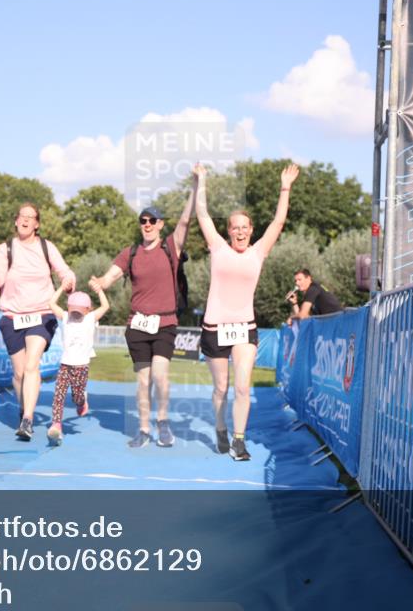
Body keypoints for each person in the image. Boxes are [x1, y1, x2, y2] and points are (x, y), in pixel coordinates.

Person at [194, 161, 300, 461]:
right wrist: (201, 181)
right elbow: (202, 214)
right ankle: (220, 427)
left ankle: (239, 441)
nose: (240, 232)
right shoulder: (218, 247)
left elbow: (278, 222)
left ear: (251, 231)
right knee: (221, 388)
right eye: (235, 227)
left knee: (242, 388)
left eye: (245, 227)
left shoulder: (258, 252)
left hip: (244, 329)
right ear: (228, 231)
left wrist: (285, 188)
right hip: (214, 328)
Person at [90, 178, 196, 449]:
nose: (147, 225)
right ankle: (144, 429)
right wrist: (100, 282)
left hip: (165, 323)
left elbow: (185, 221)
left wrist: (196, 187)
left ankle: (163, 422)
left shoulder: (170, 247)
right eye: (143, 221)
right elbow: (111, 276)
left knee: (160, 375)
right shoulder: (131, 253)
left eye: (152, 221)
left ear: (161, 225)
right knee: (143, 380)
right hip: (137, 325)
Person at [0, 202, 76, 441]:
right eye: (22, 216)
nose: (26, 220)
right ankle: (23, 410)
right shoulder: (5, 249)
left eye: (31, 217)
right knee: (19, 374)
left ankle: (28, 419)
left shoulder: (46, 247)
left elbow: (65, 271)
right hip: (12, 316)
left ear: (37, 224)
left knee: (31, 365)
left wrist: (69, 281)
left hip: (42, 313)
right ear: (16, 221)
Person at [45, 279, 110, 446]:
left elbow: (105, 306)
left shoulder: (90, 319)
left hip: (81, 367)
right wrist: (61, 287)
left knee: (77, 397)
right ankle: (56, 424)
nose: (76, 314)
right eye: (73, 310)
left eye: (80, 311)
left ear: (88, 309)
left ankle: (82, 401)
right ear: (68, 308)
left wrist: (99, 291)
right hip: (65, 365)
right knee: (58, 395)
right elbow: (51, 303)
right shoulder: (65, 317)